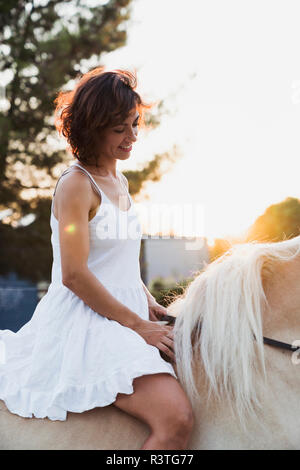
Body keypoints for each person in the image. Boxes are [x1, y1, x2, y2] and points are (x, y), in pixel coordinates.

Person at [0, 67, 194, 450]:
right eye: (119, 128)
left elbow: (117, 258)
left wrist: (148, 300)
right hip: (86, 321)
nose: (132, 137)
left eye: (135, 124)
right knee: (176, 420)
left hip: (126, 311)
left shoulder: (119, 180)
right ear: (91, 127)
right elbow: (74, 274)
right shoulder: (76, 185)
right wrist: (139, 326)